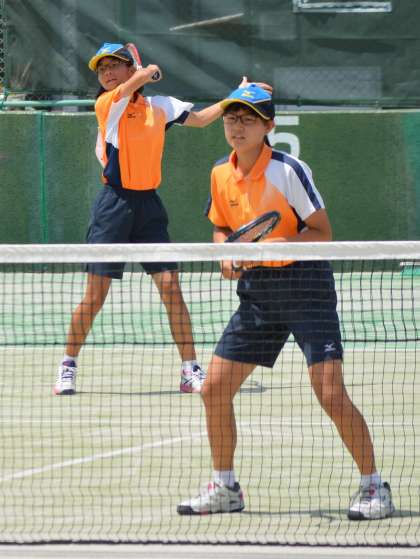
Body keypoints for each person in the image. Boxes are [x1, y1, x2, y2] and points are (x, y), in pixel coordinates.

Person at [177, 84, 395, 521]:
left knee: (330, 393)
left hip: (305, 288)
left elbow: (322, 232)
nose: (237, 127)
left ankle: (375, 487)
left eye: (248, 119)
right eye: (232, 118)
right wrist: (225, 255)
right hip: (258, 294)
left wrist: (277, 247)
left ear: (268, 126)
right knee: (214, 389)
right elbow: (222, 227)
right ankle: (225, 487)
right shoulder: (220, 172)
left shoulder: (289, 170)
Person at [53, 42, 271, 397]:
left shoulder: (161, 107)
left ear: (129, 66)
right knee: (95, 295)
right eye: (101, 69)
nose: (106, 73)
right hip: (113, 206)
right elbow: (130, 86)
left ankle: (189, 370)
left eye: (114, 65)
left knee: (171, 287)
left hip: (149, 207)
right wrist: (146, 72)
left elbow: (201, 119)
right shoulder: (107, 104)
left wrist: (235, 96)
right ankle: (67, 365)